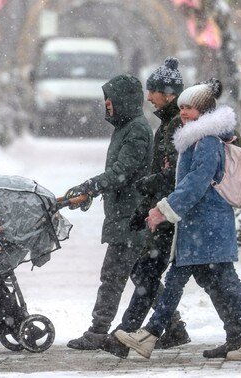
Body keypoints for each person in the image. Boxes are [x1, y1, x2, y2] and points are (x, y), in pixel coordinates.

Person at [114, 79, 241, 361]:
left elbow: (196, 183)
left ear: (204, 111)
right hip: (197, 227)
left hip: (208, 227)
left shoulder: (207, 141)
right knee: (181, 280)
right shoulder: (197, 139)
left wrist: (164, 209)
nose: (184, 113)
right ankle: (150, 336)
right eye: (182, 107)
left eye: (190, 108)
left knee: (225, 283)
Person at [100, 58, 190, 358]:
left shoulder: (177, 126)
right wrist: (148, 204)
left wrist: (148, 188)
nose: (149, 97)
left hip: (171, 212)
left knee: (150, 273)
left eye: (153, 91)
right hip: (162, 210)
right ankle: (141, 333)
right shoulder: (166, 125)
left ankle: (131, 334)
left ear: (170, 94)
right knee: (147, 273)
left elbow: (177, 172)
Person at [64, 74, 154, 350]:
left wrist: (90, 187)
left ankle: (98, 331)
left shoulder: (136, 129)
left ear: (124, 100)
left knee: (113, 275)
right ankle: (172, 324)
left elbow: (121, 173)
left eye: (110, 99)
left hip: (130, 217)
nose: (107, 104)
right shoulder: (126, 127)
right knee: (142, 277)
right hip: (125, 215)